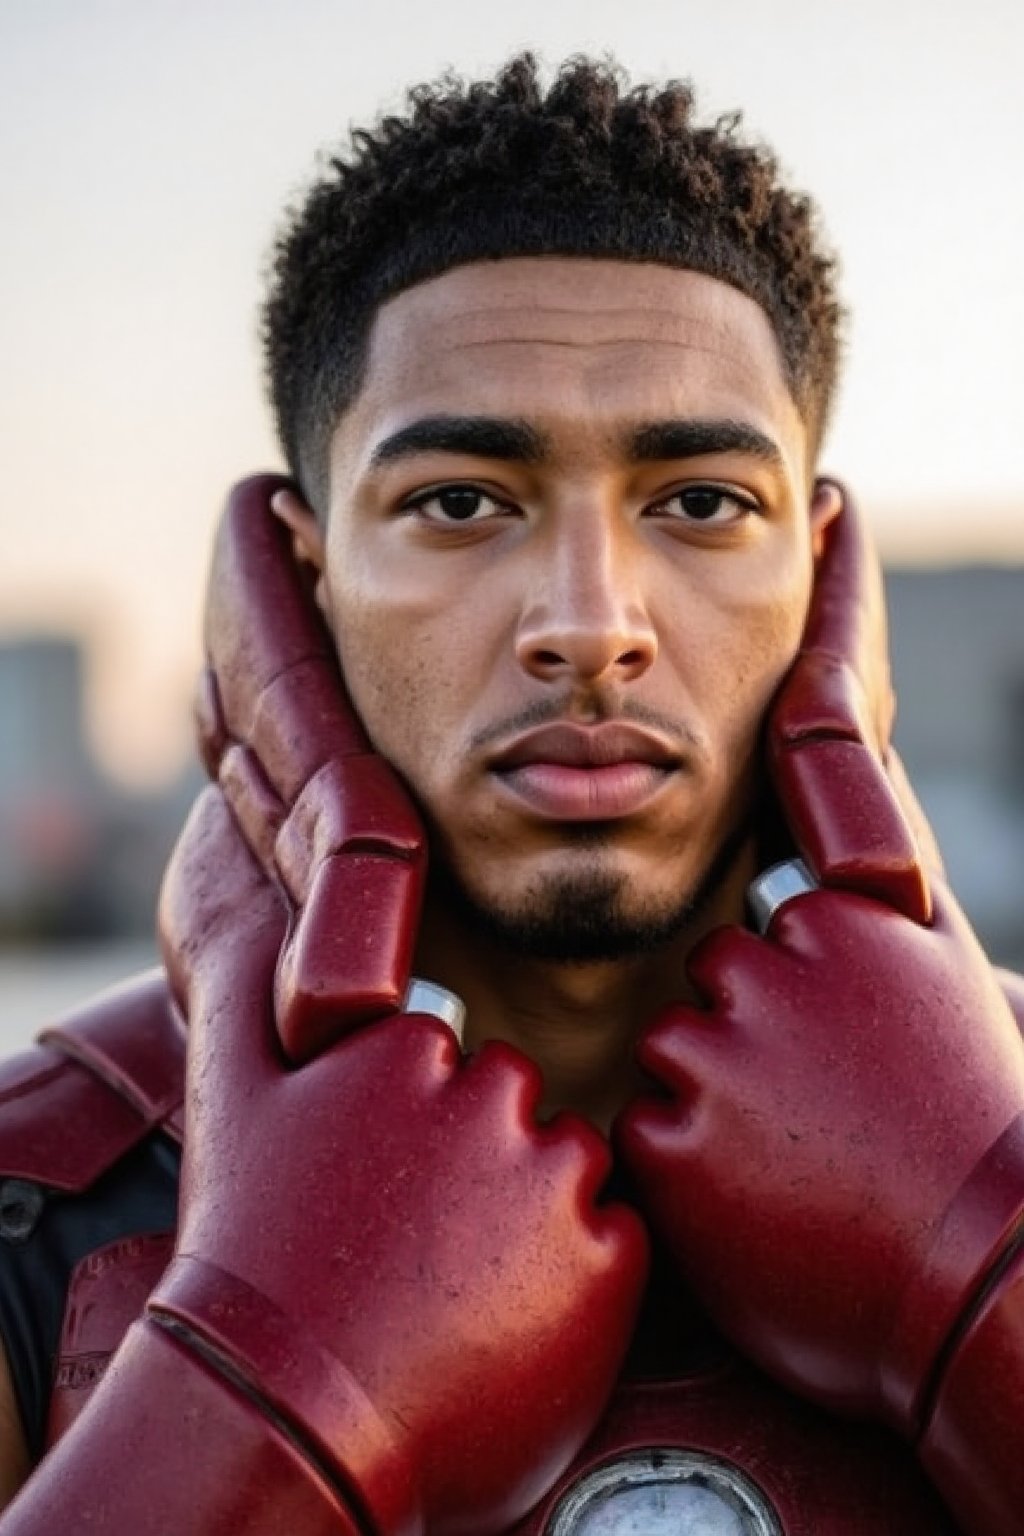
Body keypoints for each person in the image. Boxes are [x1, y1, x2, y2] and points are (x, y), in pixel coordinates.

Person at [0, 52, 1021, 1535]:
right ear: (302, 579)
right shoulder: (31, 1205)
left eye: (701, 504)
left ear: (818, 571)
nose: (590, 618)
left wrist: (987, 1271)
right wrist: (257, 1386)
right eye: (461, 501)